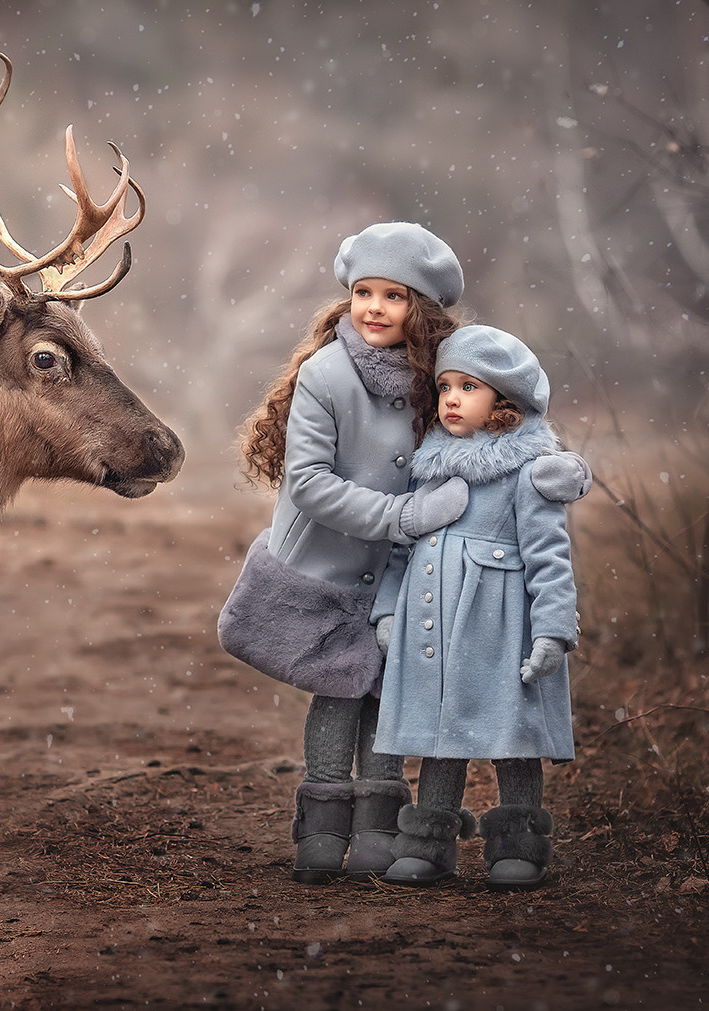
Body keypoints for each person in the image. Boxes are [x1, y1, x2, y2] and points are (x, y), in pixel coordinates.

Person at [234, 221, 473, 883]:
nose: (373, 306)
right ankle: (323, 825)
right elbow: (308, 483)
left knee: (390, 694)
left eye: (393, 295)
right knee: (339, 691)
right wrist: (401, 514)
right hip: (329, 568)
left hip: (402, 574)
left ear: (419, 310)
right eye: (363, 291)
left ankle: (377, 825)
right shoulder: (326, 375)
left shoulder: (444, 379)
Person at [371, 324, 579, 891]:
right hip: (434, 627)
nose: (452, 399)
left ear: (505, 402)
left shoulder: (528, 471)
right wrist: (388, 611)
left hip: (500, 625)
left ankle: (519, 845)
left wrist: (553, 632)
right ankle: (427, 844)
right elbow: (401, 547)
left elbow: (550, 559)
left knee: (512, 734)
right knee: (442, 735)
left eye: (469, 386)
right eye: (444, 387)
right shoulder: (429, 464)